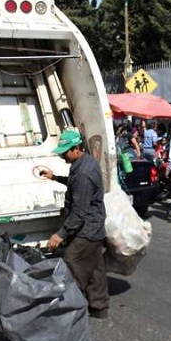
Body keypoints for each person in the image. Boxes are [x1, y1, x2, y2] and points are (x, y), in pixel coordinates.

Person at [41, 130, 109, 319]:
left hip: (86, 229)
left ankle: (68, 313)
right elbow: (76, 186)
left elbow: (79, 212)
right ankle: (99, 308)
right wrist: (55, 177)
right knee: (95, 270)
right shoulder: (84, 163)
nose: (62, 155)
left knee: (71, 265)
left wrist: (60, 234)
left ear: (76, 148)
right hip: (95, 226)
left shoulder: (83, 174)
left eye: (65, 152)